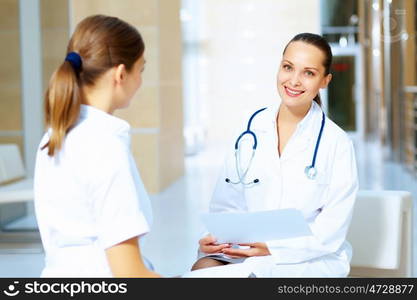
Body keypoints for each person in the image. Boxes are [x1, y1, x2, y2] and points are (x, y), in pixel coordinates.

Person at [188, 33, 358, 277]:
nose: (294, 81)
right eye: (288, 67)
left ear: (325, 81)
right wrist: (217, 239)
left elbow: (331, 231)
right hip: (246, 249)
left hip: (308, 259)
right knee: (202, 268)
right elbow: (226, 205)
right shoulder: (249, 129)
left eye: (308, 73)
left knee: (252, 275)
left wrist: (272, 248)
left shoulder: (337, 143)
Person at [34, 14, 160, 277]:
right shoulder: (104, 146)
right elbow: (129, 275)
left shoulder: (53, 137)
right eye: (141, 69)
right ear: (121, 74)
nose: (140, 81)